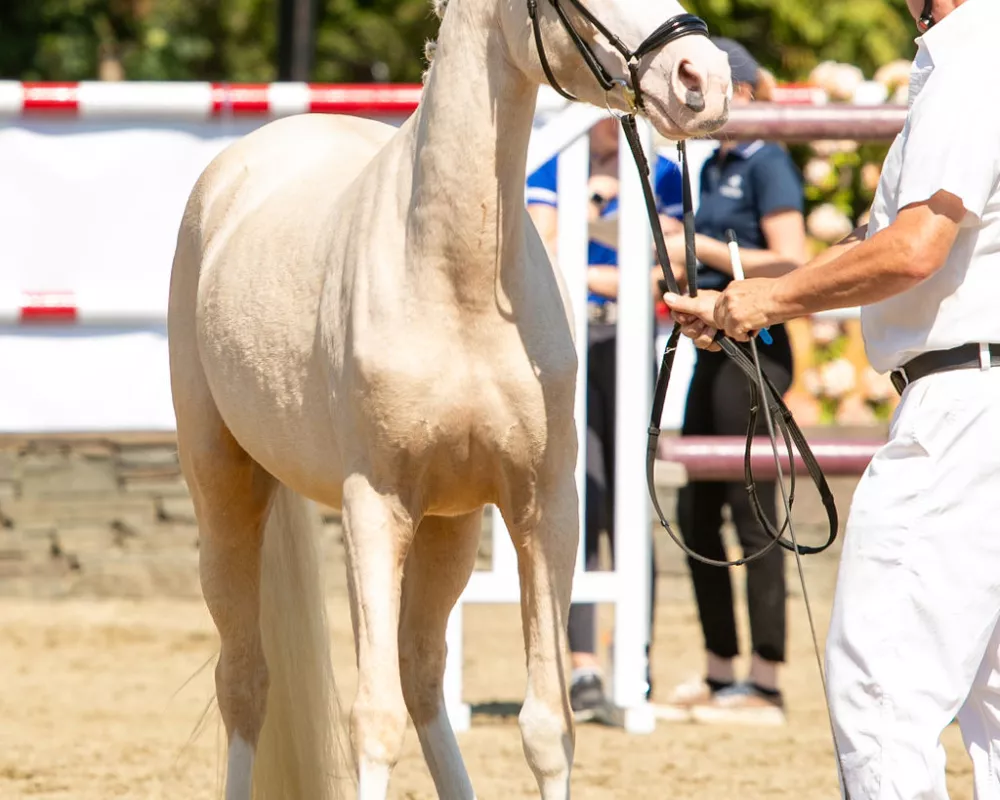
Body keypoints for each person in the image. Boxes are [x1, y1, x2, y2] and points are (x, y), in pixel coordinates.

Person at [665, 0, 1000, 794]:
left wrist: (766, 305)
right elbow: (868, 246)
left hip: (964, 413)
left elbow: (916, 248)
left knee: (878, 686)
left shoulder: (970, 54)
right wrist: (734, 301)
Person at [655, 38, 806, 727]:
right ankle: (722, 669)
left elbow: (789, 259)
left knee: (753, 511)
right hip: (715, 344)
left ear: (739, 91)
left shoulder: (766, 161)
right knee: (696, 512)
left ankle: (766, 680)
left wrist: (696, 244)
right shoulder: (710, 164)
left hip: (758, 345)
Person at [526, 116, 683, 721]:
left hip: (629, 345)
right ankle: (582, 664)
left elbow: (670, 268)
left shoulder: (662, 172)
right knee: (579, 501)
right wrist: (616, 259)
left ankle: (635, 658)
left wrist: (586, 240)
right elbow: (540, 248)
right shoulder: (550, 161)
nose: (606, 128)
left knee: (630, 506)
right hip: (568, 339)